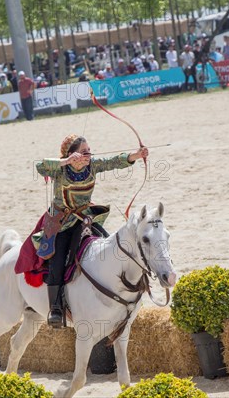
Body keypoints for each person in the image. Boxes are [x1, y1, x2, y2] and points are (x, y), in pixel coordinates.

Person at [34, 134, 149, 327]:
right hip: (61, 223)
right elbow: (41, 166)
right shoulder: (60, 170)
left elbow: (114, 161)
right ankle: (56, 308)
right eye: (84, 151)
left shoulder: (92, 166)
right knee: (58, 259)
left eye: (89, 150)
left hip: (85, 220)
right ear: (72, 154)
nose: (89, 154)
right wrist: (66, 161)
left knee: (109, 246)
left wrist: (136, 155)